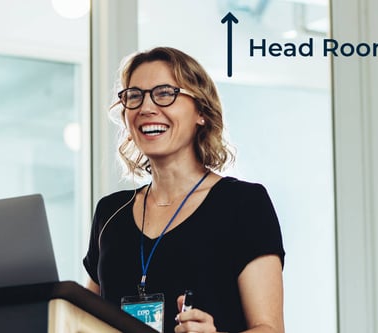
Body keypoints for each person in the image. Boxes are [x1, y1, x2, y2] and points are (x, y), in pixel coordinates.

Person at [83, 47, 285, 333]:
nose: (146, 108)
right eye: (134, 96)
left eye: (165, 93)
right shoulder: (109, 212)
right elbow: (81, 320)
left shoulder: (244, 203)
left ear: (201, 111)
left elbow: (270, 328)